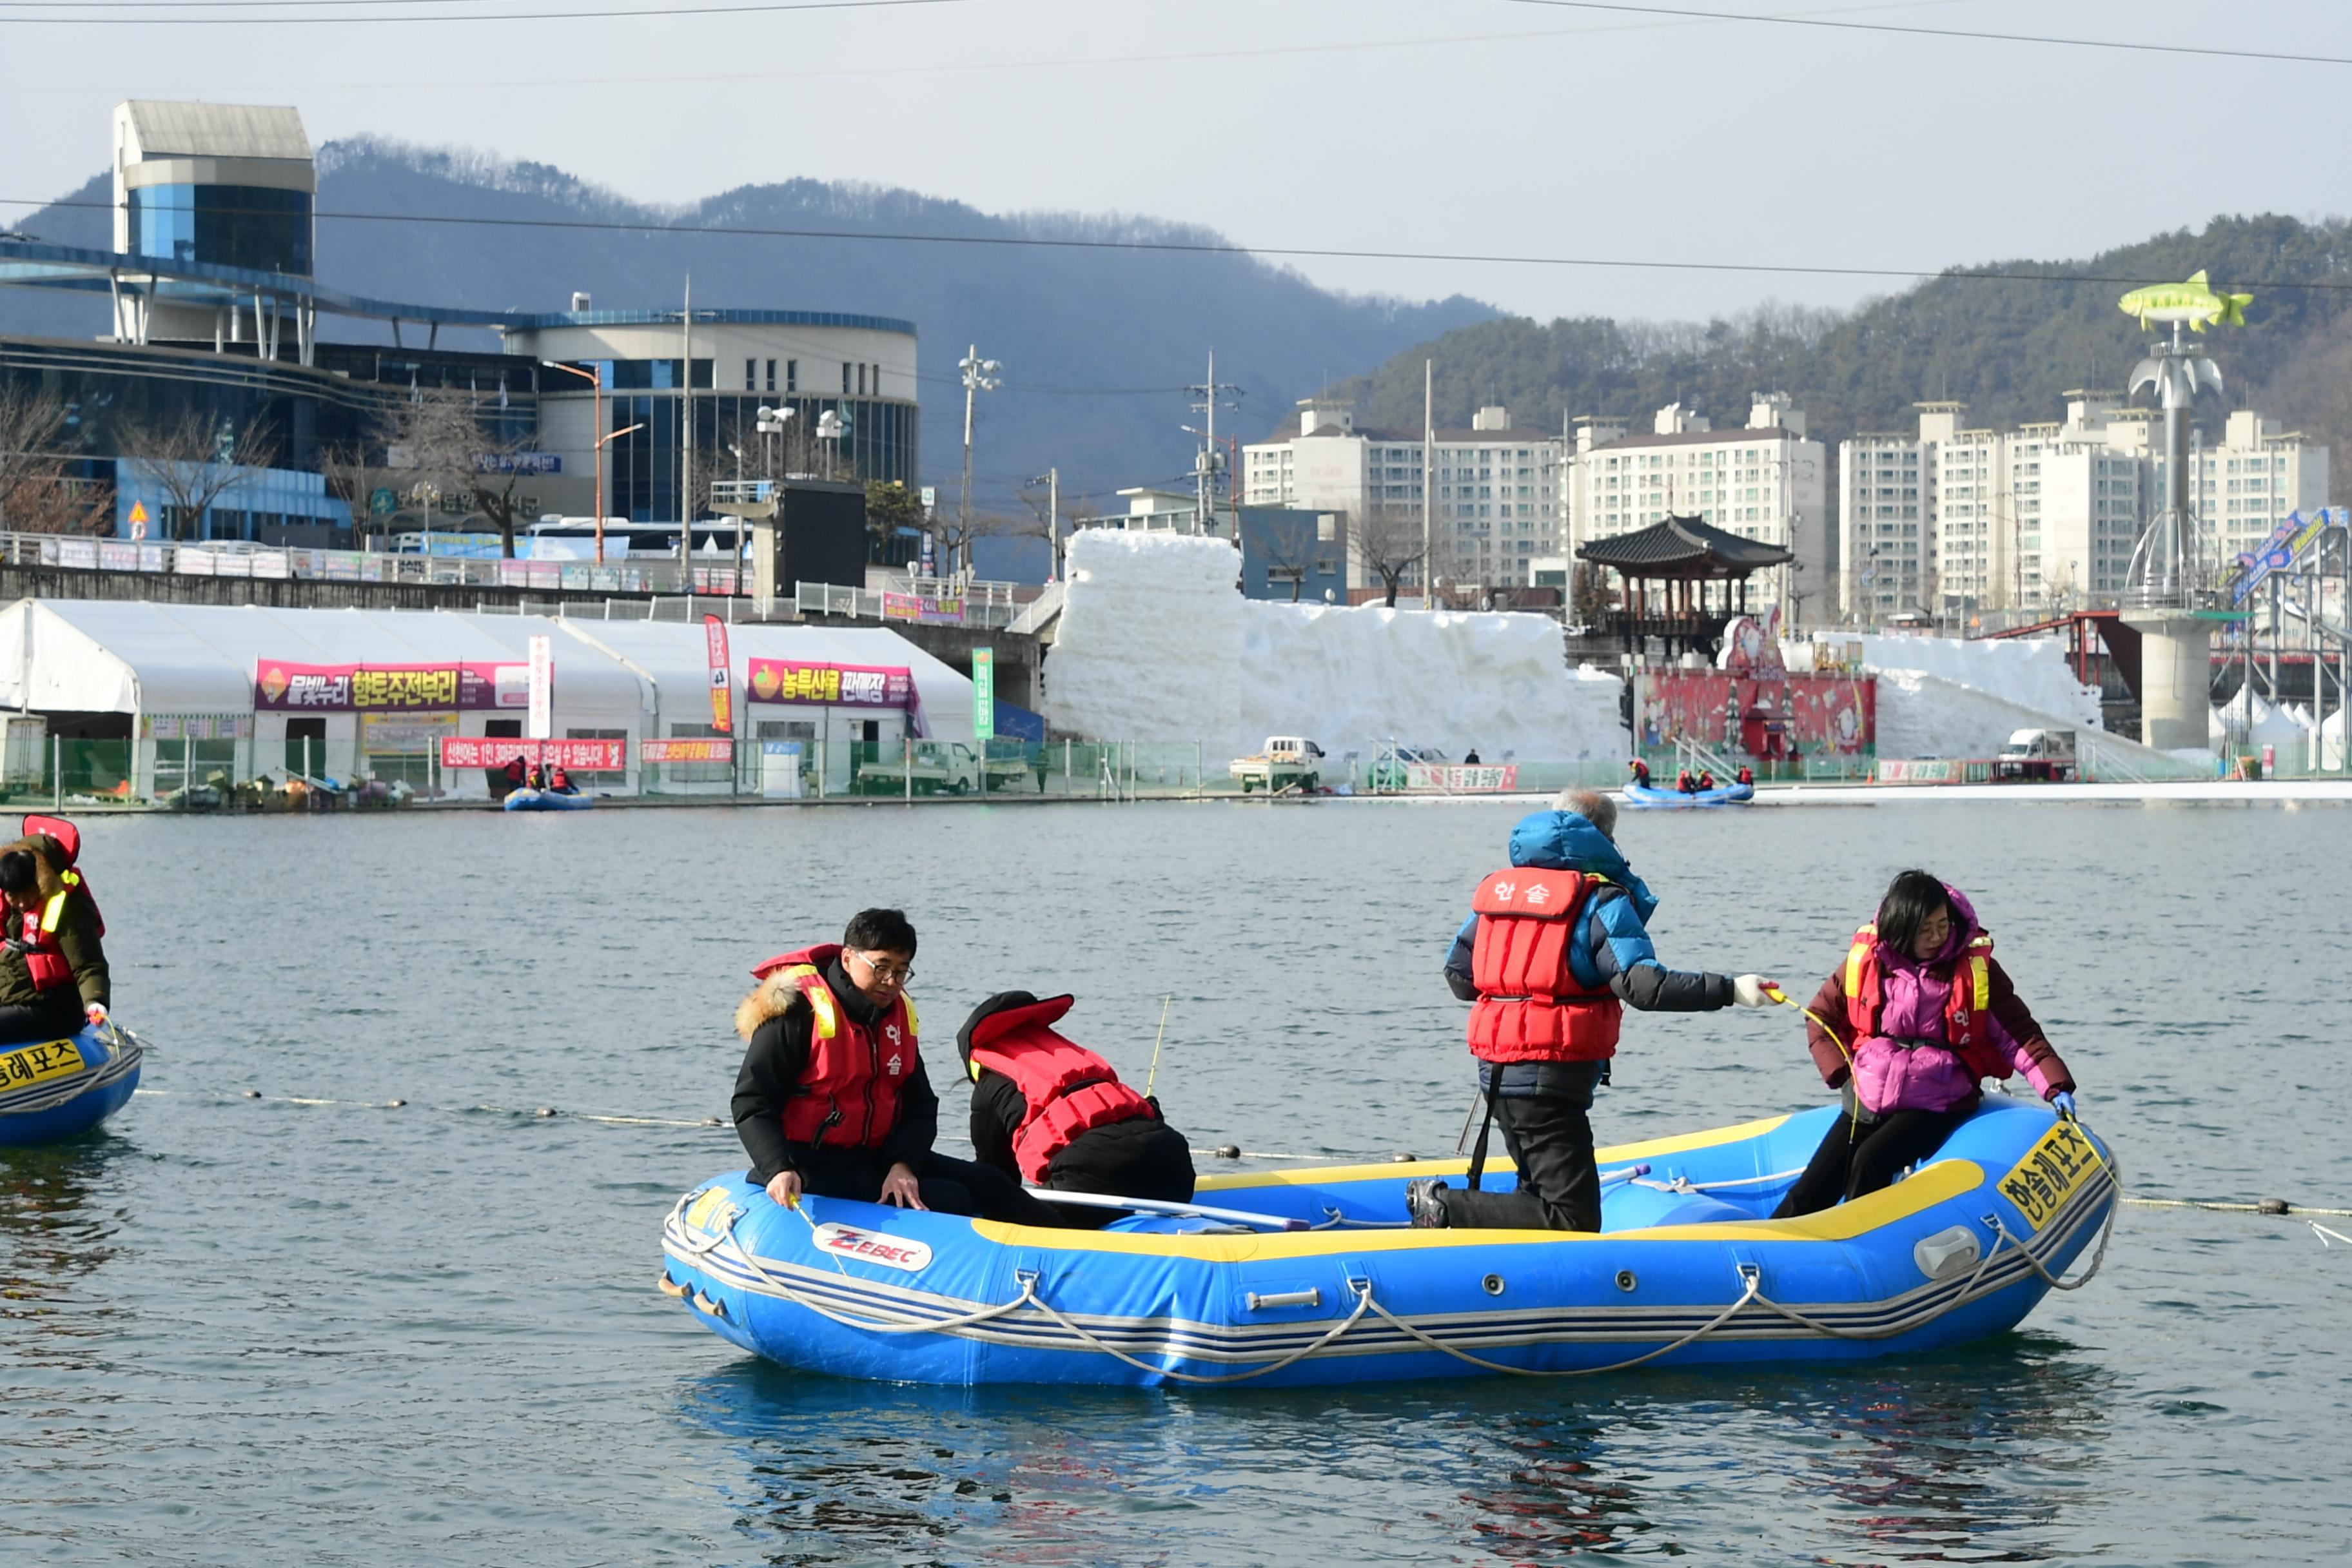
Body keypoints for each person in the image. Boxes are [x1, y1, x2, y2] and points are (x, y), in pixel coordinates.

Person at [1407, 790, 1776, 1231]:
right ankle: (1446, 1207)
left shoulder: (1500, 895)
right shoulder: (1600, 899)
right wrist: (1731, 990)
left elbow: (1458, 976)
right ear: (1603, 836)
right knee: (1573, 1218)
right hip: (1549, 1078)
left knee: (1537, 1193)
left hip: (1496, 1072)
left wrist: (1518, 991)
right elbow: (1644, 987)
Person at [730, 908, 1068, 1226]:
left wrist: (903, 1162)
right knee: (952, 1199)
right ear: (848, 958)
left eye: (901, 970)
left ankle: (1080, 1251)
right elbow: (752, 1102)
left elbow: (921, 1105)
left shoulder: (897, 1017)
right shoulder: (797, 1013)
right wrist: (777, 1167)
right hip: (808, 1163)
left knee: (990, 1181)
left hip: (878, 1156)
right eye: (881, 967)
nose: (891, 981)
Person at [1772, 870, 2077, 1217]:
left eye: (1943, 925)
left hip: (1939, 1098)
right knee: (1812, 1188)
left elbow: (2019, 1034)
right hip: (1870, 1093)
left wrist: (2056, 1087)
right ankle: (1765, 1245)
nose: (1937, 937)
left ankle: (1853, 1249)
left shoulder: (1975, 970)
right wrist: (1843, 1076)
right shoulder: (1868, 962)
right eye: (1926, 929)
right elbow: (1820, 1017)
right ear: (1902, 928)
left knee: (1871, 1160)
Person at [960, 991, 1196, 1217]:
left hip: (1095, 1176)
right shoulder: (1076, 1058)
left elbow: (997, 1178)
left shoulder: (990, 1081)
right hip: (1176, 1166)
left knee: (997, 1201)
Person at [0, 816, 110, 1044]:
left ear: (39, 883)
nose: (20, 903)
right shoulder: (7, 900)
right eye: (13, 897)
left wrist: (95, 1001)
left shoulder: (68, 905)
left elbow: (89, 964)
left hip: (53, 1007)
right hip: (10, 996)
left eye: (26, 894)